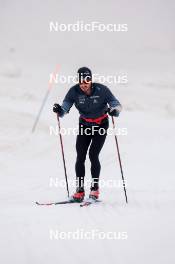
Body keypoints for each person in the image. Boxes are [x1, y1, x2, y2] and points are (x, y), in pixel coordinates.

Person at [53, 67, 122, 202]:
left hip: (100, 125)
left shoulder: (102, 90)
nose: (84, 84)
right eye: (81, 81)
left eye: (87, 80)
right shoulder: (74, 92)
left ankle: (94, 189)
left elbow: (117, 105)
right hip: (84, 125)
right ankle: (79, 191)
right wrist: (59, 110)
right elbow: (64, 109)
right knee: (80, 156)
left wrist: (115, 111)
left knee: (93, 154)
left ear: (91, 80)